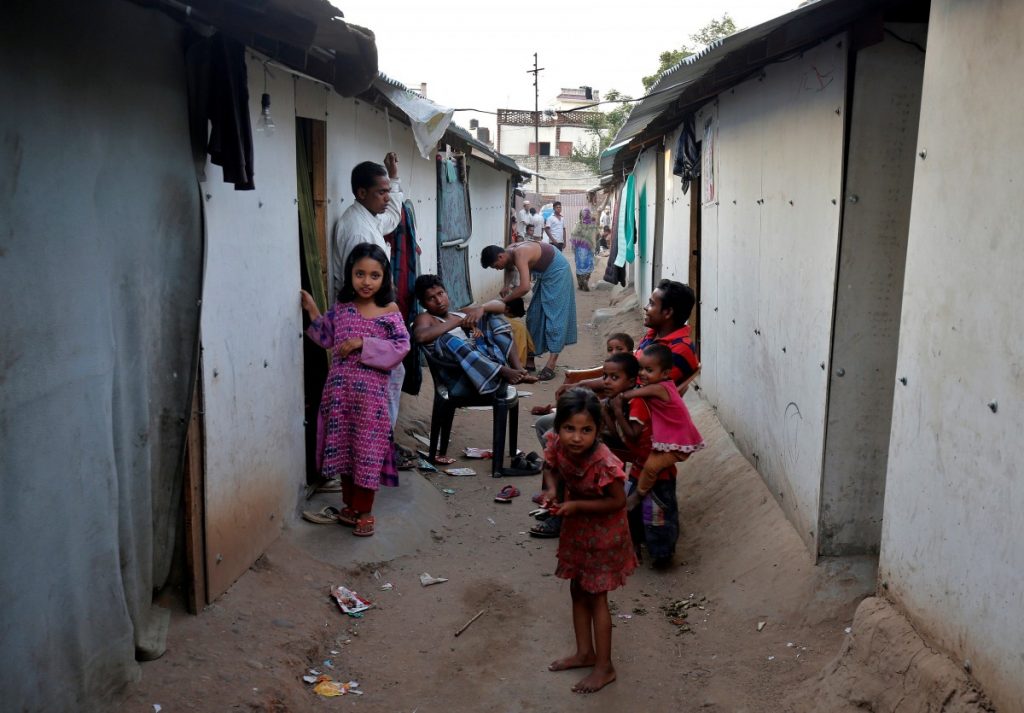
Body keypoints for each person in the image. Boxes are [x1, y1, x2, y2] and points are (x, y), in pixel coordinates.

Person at [300, 244, 410, 538]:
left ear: (384, 278)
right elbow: (325, 337)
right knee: (345, 451)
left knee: (366, 453)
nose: (366, 281)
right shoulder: (342, 308)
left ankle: (366, 511)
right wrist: (311, 309)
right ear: (349, 274)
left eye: (374, 275)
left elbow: (402, 347)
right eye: (359, 273)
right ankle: (350, 506)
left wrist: (365, 343)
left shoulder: (389, 311)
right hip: (340, 397)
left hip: (371, 402)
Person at [541, 388, 636, 694]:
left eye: (586, 430)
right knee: (576, 587)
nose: (576, 438)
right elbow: (551, 467)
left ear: (598, 430)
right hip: (577, 529)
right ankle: (585, 652)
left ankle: (605, 667)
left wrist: (577, 506)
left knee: (597, 596)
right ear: (558, 428)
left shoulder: (603, 461)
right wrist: (552, 491)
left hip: (604, 534)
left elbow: (618, 501)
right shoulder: (557, 444)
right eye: (569, 429)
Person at [330, 153, 406, 431]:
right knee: (375, 388)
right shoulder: (357, 230)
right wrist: (379, 323)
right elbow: (359, 287)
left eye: (388, 192)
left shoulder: (368, 218)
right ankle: (375, 445)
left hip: (372, 318)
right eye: (381, 192)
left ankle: (378, 444)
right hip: (363, 320)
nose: (387, 197)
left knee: (391, 376)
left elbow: (391, 220)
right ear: (362, 193)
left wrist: (394, 178)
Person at [412, 274, 535, 394]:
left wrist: (482, 308)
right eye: (431, 298)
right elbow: (420, 336)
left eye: (440, 293)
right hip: (461, 374)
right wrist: (457, 323)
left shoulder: (460, 313)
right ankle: (502, 371)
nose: (439, 301)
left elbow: (503, 307)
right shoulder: (427, 318)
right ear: (423, 304)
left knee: (492, 315)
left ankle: (517, 367)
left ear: (446, 293)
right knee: (446, 339)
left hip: (485, 363)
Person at [481, 242, 577, 381]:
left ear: (501, 256)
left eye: (495, 266)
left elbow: (525, 287)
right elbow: (509, 269)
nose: (497, 269)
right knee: (534, 315)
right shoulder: (508, 253)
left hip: (558, 272)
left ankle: (551, 365)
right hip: (544, 274)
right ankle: (530, 360)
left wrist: (503, 301)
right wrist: (506, 286)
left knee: (555, 318)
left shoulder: (520, 254)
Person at [570, 208, 598, 290]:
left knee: (579, 266)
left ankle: (580, 284)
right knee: (589, 265)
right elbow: (598, 236)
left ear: (581, 215)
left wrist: (574, 245)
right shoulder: (593, 225)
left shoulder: (578, 224)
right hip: (590, 249)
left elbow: (573, 234)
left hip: (580, 249)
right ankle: (586, 280)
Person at [504, 297, 534, 373]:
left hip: (514, 363)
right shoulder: (519, 324)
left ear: (507, 309)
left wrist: (518, 366)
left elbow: (521, 346)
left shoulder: (506, 322)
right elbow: (530, 346)